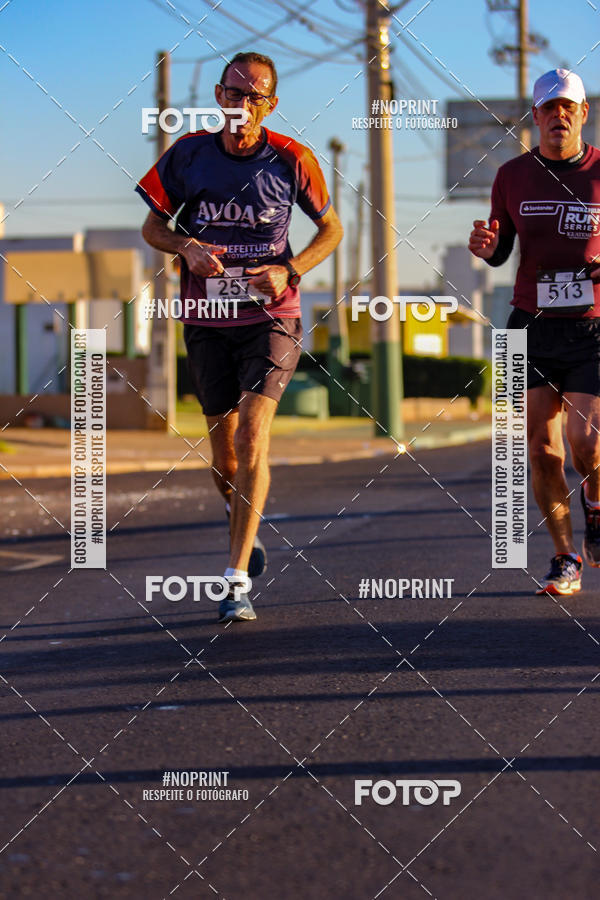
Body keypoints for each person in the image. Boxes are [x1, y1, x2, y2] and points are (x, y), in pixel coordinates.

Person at [136, 51, 343, 621]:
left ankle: (234, 582)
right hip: (207, 322)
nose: (242, 105)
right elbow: (153, 224)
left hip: (272, 318)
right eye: (234, 93)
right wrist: (185, 246)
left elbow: (332, 230)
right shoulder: (188, 154)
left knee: (253, 437)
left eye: (256, 97)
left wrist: (290, 269)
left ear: (269, 105)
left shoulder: (292, 159)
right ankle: (244, 534)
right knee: (225, 459)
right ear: (219, 98)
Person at [469, 68, 600, 596]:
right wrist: (485, 246)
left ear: (583, 114)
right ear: (536, 118)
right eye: (548, 108)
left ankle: (594, 502)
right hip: (529, 324)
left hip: (593, 325)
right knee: (541, 449)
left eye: (568, 107)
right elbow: (501, 248)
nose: (558, 116)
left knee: (584, 441)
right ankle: (565, 558)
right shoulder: (513, 175)